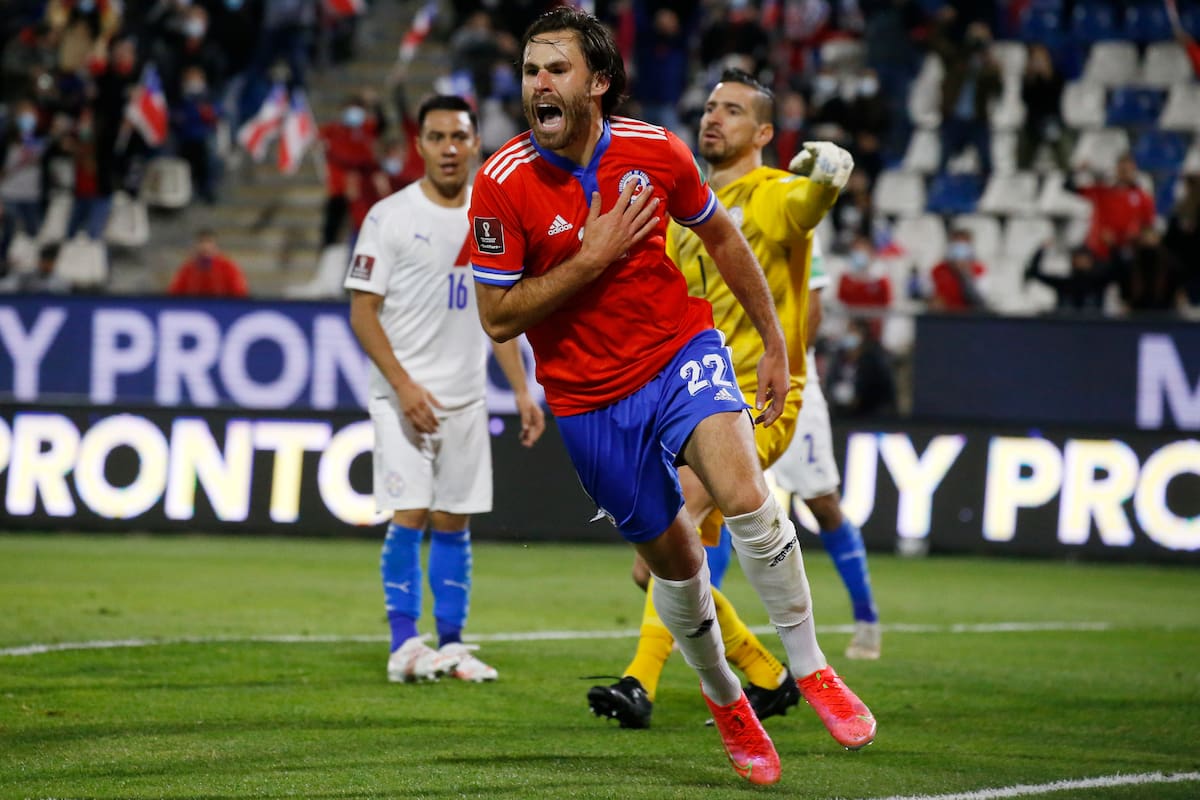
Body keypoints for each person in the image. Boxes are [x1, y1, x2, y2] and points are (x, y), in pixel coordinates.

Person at [468, 8, 874, 786]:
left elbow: (723, 241)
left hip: (678, 353)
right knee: (675, 564)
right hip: (587, 402)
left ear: (600, 82)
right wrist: (590, 260)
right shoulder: (501, 184)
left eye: (555, 69)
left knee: (749, 497)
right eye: (529, 71)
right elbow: (497, 317)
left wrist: (778, 345)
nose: (538, 84)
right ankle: (728, 698)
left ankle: (815, 668)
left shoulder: (657, 152)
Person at [586, 68, 852, 734]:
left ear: (763, 133)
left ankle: (639, 684)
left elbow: (808, 205)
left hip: (757, 400)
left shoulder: (772, 194)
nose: (712, 119)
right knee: (657, 571)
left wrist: (827, 173)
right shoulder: (688, 212)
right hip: (684, 398)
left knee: (670, 527)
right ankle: (766, 674)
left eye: (732, 111)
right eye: (708, 107)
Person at [345, 95, 546, 685]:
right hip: (401, 397)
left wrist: (524, 391)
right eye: (436, 137)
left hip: (464, 397)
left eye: (459, 136)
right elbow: (363, 313)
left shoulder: (491, 218)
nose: (449, 148)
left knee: (455, 521)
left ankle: (453, 645)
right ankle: (404, 644)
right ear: (420, 146)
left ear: (476, 141)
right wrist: (404, 386)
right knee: (410, 512)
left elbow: (500, 316)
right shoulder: (389, 216)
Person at [773, 235, 881, 658]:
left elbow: (811, 306)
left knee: (822, 504)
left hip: (791, 377)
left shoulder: (789, 212)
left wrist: (786, 368)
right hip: (726, 371)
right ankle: (710, 643)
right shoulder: (706, 209)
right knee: (719, 506)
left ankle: (866, 618)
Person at [1024, 242, 1115, 313]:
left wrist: (1112, 247)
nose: (1082, 262)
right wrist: (1041, 250)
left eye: (1085, 259)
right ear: (1073, 261)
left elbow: (1117, 271)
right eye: (1078, 259)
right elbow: (1035, 273)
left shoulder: (1098, 282)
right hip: (1065, 330)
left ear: (1091, 262)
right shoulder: (1065, 283)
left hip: (1094, 331)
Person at [166, 229, 249, 297]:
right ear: (196, 245)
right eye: (201, 242)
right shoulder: (188, 269)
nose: (205, 246)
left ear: (215, 245)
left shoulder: (228, 267)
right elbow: (174, 292)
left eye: (209, 242)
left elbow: (239, 292)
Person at [928, 228, 988, 311]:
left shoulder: (979, 270)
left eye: (964, 247)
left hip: (970, 318)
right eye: (956, 246)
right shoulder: (937, 270)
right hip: (944, 317)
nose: (960, 252)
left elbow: (980, 301)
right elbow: (929, 297)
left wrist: (965, 274)